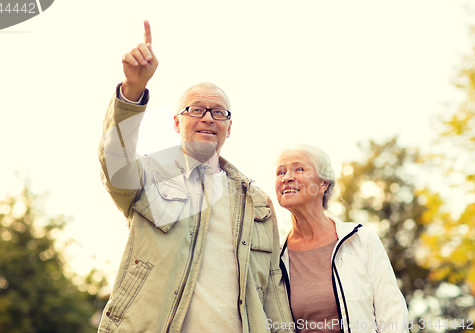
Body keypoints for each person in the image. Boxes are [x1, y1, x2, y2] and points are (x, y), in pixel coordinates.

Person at [97, 20, 295, 333]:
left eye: (219, 112)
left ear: (229, 127)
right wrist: (132, 90)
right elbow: (115, 162)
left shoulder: (257, 203)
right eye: (196, 109)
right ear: (177, 122)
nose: (208, 118)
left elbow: (272, 288)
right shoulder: (150, 174)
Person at [275, 145, 409, 333]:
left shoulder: (362, 240)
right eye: (281, 172)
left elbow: (393, 316)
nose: (286, 177)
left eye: (299, 169)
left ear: (323, 184)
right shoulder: (275, 257)